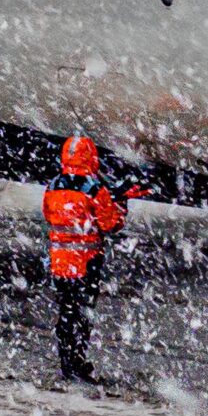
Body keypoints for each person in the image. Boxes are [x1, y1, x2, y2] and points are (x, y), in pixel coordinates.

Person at [42, 134, 137, 384]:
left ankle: (66, 362)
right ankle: (78, 362)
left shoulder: (52, 186)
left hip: (60, 262)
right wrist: (121, 203)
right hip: (86, 263)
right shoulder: (94, 189)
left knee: (66, 312)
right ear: (91, 158)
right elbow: (111, 224)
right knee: (82, 316)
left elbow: (49, 215)